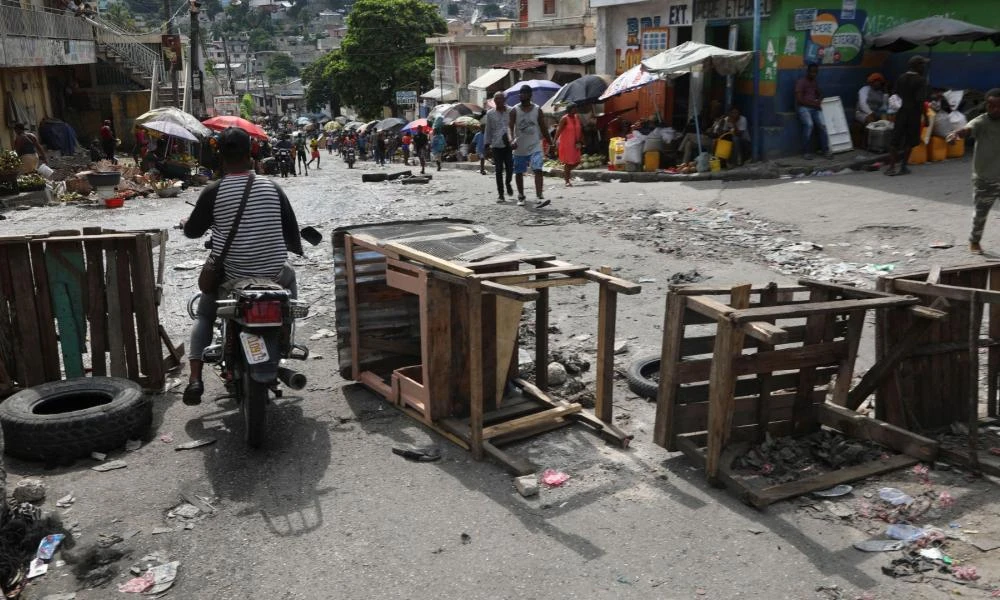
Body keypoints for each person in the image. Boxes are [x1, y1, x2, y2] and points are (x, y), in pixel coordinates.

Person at [179, 127, 304, 405]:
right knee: (291, 281)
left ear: (220, 156)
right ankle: (285, 336)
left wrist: (188, 224)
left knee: (204, 315)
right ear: (252, 152)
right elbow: (290, 231)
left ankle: (195, 378)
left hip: (231, 276)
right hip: (273, 275)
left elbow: (193, 233)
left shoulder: (214, 191)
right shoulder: (273, 187)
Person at [947, 88, 1000, 255]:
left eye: (999, 106)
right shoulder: (982, 122)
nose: (995, 110)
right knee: (980, 214)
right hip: (985, 178)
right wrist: (956, 134)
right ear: (986, 106)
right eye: (991, 106)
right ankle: (974, 241)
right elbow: (967, 129)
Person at [885, 56, 930, 177]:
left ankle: (891, 167)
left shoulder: (901, 78)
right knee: (910, 140)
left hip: (901, 113)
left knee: (895, 140)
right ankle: (903, 166)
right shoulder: (921, 80)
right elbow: (920, 101)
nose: (924, 67)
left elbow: (894, 95)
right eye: (922, 65)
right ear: (917, 66)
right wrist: (925, 116)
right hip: (913, 114)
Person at [509, 85, 552, 207]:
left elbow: (543, 128)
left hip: (534, 146)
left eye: (524, 93)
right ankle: (521, 196)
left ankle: (539, 196)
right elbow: (509, 127)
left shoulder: (537, 110)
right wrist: (511, 140)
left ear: (529, 95)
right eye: (520, 93)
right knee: (519, 172)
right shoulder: (514, 110)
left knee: (538, 169)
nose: (521, 95)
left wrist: (551, 142)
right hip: (519, 147)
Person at [795, 64, 833, 159]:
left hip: (814, 107)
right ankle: (806, 152)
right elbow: (799, 100)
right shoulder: (801, 82)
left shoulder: (814, 82)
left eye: (815, 72)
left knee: (823, 126)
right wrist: (814, 104)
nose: (813, 74)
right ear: (807, 72)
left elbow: (820, 93)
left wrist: (819, 100)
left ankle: (825, 150)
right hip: (803, 107)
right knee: (809, 125)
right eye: (812, 72)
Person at [484, 91, 514, 202]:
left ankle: (508, 183)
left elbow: (514, 127)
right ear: (494, 101)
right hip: (496, 145)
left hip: (508, 144)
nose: (499, 101)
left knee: (510, 168)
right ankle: (501, 194)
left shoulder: (511, 111)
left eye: (501, 98)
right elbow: (488, 130)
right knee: (498, 170)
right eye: (496, 99)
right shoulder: (490, 113)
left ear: (504, 100)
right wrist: (487, 145)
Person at [556, 102, 583, 186]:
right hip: (567, 144)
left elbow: (580, 129)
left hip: (576, 144)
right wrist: (553, 142)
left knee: (577, 161)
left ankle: (566, 172)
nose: (576, 109)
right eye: (574, 108)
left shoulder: (577, 117)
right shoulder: (564, 118)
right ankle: (567, 181)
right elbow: (558, 131)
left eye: (576, 108)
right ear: (570, 109)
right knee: (568, 162)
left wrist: (581, 140)